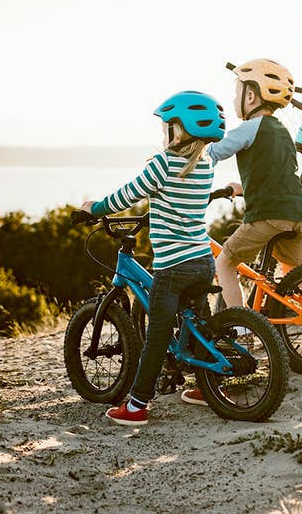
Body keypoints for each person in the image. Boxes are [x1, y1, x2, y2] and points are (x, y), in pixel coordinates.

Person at [181, 60, 302, 407]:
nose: (235, 99)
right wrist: (241, 188)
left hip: (267, 217)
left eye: (237, 92)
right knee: (293, 271)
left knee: (227, 262)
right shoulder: (281, 132)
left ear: (251, 95)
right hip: (297, 215)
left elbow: (213, 154)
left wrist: (185, 158)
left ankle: (242, 330)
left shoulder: (249, 128)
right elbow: (275, 177)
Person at [80, 91, 224, 425]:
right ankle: (207, 387)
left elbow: (128, 194)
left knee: (157, 338)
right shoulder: (207, 164)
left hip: (172, 265)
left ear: (179, 129)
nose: (163, 133)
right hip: (202, 260)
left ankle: (136, 407)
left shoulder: (163, 164)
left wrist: (95, 208)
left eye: (167, 126)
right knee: (199, 326)